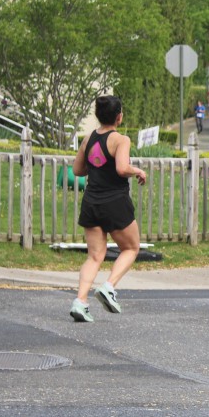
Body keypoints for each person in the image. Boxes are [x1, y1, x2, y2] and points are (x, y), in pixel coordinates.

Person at [69, 96, 147, 322]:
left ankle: (80, 302)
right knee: (131, 247)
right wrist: (138, 171)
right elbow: (122, 168)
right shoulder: (121, 140)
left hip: (91, 202)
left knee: (95, 256)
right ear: (119, 117)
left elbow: (77, 170)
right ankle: (109, 287)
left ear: (98, 116)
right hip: (114, 202)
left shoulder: (88, 139)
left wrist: (97, 167)